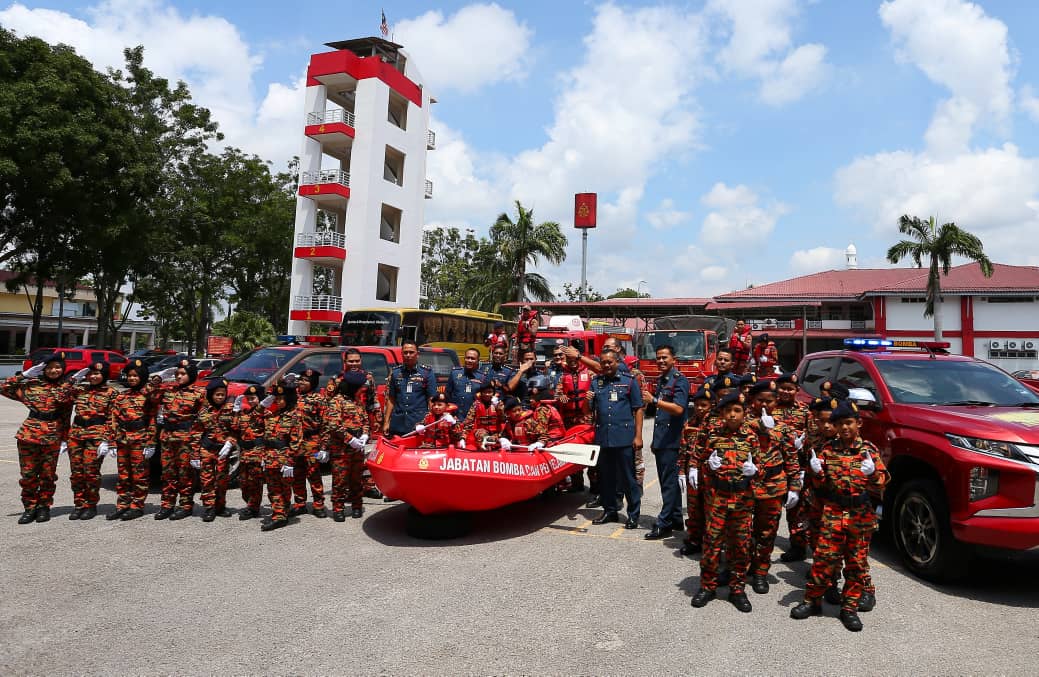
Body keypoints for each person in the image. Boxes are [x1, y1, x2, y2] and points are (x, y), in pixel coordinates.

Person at [790, 399, 888, 632]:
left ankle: (849, 608)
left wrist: (874, 474)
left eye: (848, 423)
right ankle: (812, 601)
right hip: (833, 513)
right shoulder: (828, 449)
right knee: (823, 560)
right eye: (840, 424)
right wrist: (816, 473)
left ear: (858, 424)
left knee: (855, 564)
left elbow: (883, 483)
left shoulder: (868, 451)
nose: (844, 428)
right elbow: (821, 486)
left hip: (859, 516)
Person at [690, 392, 759, 613]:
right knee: (711, 544)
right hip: (717, 499)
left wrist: (755, 470)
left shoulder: (751, 437)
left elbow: (762, 467)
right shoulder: (710, 434)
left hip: (742, 500)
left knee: (740, 545)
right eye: (727, 411)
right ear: (721, 413)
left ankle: (737, 589)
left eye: (736, 411)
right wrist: (706, 466)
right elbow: (698, 459)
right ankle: (707, 586)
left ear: (744, 413)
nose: (732, 415)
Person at [2, 352, 74, 523]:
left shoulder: (66, 388)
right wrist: (23, 376)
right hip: (29, 435)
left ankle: (44, 507)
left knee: (48, 475)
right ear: (42, 369)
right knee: (28, 475)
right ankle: (29, 507)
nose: (54, 370)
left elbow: (66, 415)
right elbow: (3, 388)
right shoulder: (31, 385)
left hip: (52, 436)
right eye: (49, 367)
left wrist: (64, 438)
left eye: (58, 367)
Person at [745, 379, 802, 594]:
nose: (764, 405)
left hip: (773, 488)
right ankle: (742, 568)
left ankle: (760, 572)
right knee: (741, 532)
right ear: (752, 400)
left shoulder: (784, 429)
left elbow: (792, 459)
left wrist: (795, 487)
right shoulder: (741, 423)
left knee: (766, 533)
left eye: (768, 401)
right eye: (760, 400)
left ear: (775, 402)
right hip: (745, 487)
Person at [587, 348, 644, 529]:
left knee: (628, 479)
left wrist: (638, 436)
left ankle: (633, 515)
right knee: (606, 478)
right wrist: (587, 400)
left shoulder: (629, 382)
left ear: (617, 362)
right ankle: (610, 511)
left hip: (624, 438)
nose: (606, 365)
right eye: (603, 362)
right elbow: (589, 411)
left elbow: (638, 409)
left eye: (610, 362)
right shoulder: (596, 382)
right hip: (604, 438)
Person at [643, 344, 690, 541]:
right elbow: (661, 417)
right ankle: (676, 518)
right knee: (667, 482)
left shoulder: (680, 381)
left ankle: (664, 523)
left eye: (664, 358)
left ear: (673, 359)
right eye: (658, 358)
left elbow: (678, 409)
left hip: (673, 440)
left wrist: (654, 400)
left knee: (669, 484)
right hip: (663, 439)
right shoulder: (662, 381)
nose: (661, 361)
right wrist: (656, 441)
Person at [152, 359, 206, 521]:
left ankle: (185, 505)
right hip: (168, 438)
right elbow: (150, 396)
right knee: (167, 474)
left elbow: (203, 419)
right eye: (177, 374)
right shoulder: (168, 390)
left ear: (191, 375)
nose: (179, 377)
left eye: (183, 374)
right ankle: (167, 505)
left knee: (185, 474)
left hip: (186, 439)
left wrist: (197, 445)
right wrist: (157, 380)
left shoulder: (198, 393)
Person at [104, 358, 156, 521]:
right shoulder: (121, 396)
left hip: (140, 439)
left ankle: (137, 506)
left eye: (136, 376)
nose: (132, 378)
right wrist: (111, 441)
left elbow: (152, 419)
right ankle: (123, 505)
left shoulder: (147, 395)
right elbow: (113, 419)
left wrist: (151, 442)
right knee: (124, 475)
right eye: (130, 375)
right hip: (122, 440)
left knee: (139, 475)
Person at [65, 360, 117, 520]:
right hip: (76, 435)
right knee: (76, 473)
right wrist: (72, 379)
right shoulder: (80, 389)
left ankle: (90, 505)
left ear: (104, 375)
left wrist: (107, 440)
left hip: (96, 436)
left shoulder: (111, 392)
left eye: (97, 373)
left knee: (90, 472)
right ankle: (79, 504)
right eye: (91, 373)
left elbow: (113, 418)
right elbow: (60, 395)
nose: (93, 376)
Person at [773, 372, 811, 562]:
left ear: (797, 390)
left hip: (797, 467)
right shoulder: (770, 408)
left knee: (797, 510)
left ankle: (798, 546)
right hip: (773, 466)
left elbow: (813, 436)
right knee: (770, 509)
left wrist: (803, 444)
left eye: (790, 388)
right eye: (783, 388)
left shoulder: (805, 411)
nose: (786, 391)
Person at [323, 371, 370, 520]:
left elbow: (365, 421)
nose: (361, 390)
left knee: (357, 479)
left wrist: (364, 434)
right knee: (340, 480)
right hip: (341, 449)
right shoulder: (336, 401)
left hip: (357, 449)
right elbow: (334, 425)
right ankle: (338, 508)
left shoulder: (357, 402)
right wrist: (350, 439)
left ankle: (357, 506)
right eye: (358, 387)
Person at [258, 384, 304, 531]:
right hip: (270, 458)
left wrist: (290, 462)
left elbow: (296, 442)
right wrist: (263, 404)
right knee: (272, 488)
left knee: (282, 488)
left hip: (284, 460)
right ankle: (279, 513)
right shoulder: (274, 414)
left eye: (281, 398)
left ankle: (280, 516)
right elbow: (254, 417)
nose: (278, 401)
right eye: (276, 398)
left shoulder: (294, 416)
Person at [191, 378, 236, 522]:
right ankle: (209, 508)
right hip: (207, 450)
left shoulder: (230, 409)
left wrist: (230, 442)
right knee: (207, 480)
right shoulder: (204, 412)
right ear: (211, 395)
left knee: (222, 480)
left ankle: (220, 506)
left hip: (223, 451)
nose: (220, 397)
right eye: (217, 394)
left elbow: (235, 429)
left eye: (222, 394)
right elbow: (196, 432)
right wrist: (195, 454)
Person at [678, 386, 713, 555]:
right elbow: (683, 449)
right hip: (692, 474)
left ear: (711, 406)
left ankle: (710, 542)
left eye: (704, 405)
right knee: (693, 508)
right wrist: (681, 472)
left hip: (710, 475)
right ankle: (694, 540)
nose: (700, 408)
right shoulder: (689, 424)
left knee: (709, 510)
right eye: (697, 404)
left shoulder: (717, 425)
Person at [290, 368, 327, 518]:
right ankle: (300, 503)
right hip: (295, 442)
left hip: (312, 441)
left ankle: (318, 505)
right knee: (297, 474)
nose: (302, 383)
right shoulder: (292, 396)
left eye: (306, 381)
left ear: (313, 383)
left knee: (313, 474)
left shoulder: (319, 400)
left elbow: (325, 424)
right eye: (301, 380)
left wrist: (324, 447)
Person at [383, 341, 437, 437]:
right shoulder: (395, 373)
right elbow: (391, 399)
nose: (408, 355)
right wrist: (386, 422)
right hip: (398, 423)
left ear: (417, 354)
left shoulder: (426, 373)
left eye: (411, 352)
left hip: (418, 424)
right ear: (402, 354)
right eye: (405, 352)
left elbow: (431, 400)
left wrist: (431, 423)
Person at [230, 385, 267, 520]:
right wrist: (235, 411)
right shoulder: (244, 414)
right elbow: (234, 427)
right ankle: (249, 504)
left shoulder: (265, 414)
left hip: (257, 452)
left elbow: (269, 433)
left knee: (255, 482)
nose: (251, 401)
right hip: (245, 453)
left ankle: (253, 507)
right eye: (249, 399)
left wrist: (266, 455)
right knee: (244, 483)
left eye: (254, 398)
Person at [461, 382, 505, 449]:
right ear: (481, 393)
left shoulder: (499, 404)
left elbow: (503, 419)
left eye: (489, 392)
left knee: (498, 440)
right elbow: (468, 422)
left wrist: (498, 408)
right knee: (483, 436)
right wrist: (463, 438)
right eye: (484, 392)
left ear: (493, 393)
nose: (487, 394)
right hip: (480, 433)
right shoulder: (476, 405)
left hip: (496, 433)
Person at [445, 348, 486, 419]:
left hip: (473, 417)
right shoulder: (455, 373)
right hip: (455, 416)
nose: (469, 360)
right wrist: (450, 412)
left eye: (472, 359)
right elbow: (447, 393)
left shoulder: (483, 377)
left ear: (478, 361)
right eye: (467, 358)